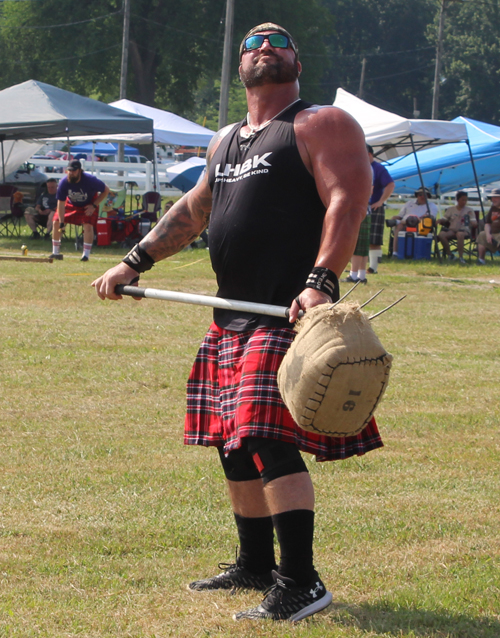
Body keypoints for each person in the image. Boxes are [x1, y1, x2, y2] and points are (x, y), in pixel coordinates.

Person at [93, 23, 383, 623]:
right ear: (240, 67)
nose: (264, 47)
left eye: (277, 41)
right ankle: (254, 564)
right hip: (231, 314)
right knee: (231, 443)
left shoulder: (319, 123)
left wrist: (321, 280)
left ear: (296, 60)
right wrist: (133, 261)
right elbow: (195, 209)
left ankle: (301, 581)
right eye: (252, 43)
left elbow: (346, 198)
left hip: (287, 310)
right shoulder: (225, 141)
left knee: (265, 440)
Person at [50, 160, 109, 261]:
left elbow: (106, 190)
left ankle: (85, 255)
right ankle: (55, 252)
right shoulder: (64, 182)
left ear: (79, 171)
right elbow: (61, 203)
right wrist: (61, 222)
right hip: (71, 203)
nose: (71, 173)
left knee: (88, 225)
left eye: (74, 171)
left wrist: (94, 205)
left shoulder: (90, 180)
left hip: (89, 204)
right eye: (69, 171)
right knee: (56, 222)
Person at [366, 145, 394, 273]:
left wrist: (381, 201)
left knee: (374, 239)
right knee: (363, 239)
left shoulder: (378, 168)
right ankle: (360, 267)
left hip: (375, 207)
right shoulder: (362, 167)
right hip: (364, 208)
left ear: (370, 154)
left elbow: (390, 184)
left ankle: (373, 267)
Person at [391, 187, 437, 254]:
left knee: (404, 223)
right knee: (399, 225)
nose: (422, 196)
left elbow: (431, 217)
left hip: (420, 225)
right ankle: (395, 252)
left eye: (425, 195)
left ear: (428, 196)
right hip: (404, 224)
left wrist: (417, 219)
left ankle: (415, 251)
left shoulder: (431, 206)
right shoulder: (409, 203)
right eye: (420, 194)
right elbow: (400, 216)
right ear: (417, 195)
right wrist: (394, 218)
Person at [437, 191, 477, 264]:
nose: (464, 202)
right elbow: (444, 219)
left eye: (466, 200)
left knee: (460, 234)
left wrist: (473, 223)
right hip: (452, 230)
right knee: (442, 234)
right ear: (457, 200)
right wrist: (440, 221)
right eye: (463, 200)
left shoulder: (469, 210)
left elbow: (473, 221)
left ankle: (461, 257)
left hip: (464, 230)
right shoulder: (451, 209)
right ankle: (450, 255)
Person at [476, 188, 500, 265]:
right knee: (482, 235)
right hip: (493, 234)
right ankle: (481, 260)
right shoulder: (493, 208)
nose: (493, 199)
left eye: (496, 197)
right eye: (492, 197)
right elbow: (487, 223)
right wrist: (488, 234)